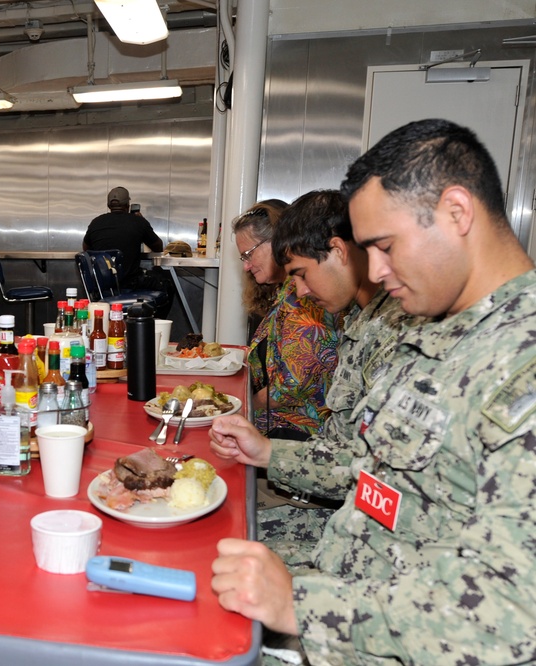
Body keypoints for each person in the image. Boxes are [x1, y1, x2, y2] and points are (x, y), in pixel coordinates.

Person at [211, 119, 536, 665]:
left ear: (457, 213)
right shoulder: (442, 329)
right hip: (356, 586)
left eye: (384, 246)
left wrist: (300, 607)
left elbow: (514, 611)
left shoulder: (517, 362)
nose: (376, 271)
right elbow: (376, 482)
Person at [213, 189, 428, 565]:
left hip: (383, 542)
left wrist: (270, 453)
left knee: (225, 548)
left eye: (300, 274)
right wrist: (265, 452)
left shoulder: (399, 332)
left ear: (339, 251)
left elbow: (382, 485)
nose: (300, 290)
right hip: (354, 511)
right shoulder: (363, 321)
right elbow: (346, 453)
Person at [233, 200, 341, 440]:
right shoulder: (285, 291)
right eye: (243, 259)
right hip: (284, 418)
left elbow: (293, 385)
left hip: (303, 428)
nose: (246, 266)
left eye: (249, 255)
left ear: (278, 242)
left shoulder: (302, 294)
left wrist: (245, 404)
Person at [82, 186, 173, 317]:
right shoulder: (138, 221)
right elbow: (158, 247)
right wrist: (141, 221)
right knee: (166, 284)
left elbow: (86, 249)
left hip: (102, 287)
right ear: (128, 204)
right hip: (130, 283)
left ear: (109, 205)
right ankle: (151, 325)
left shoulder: (96, 222)